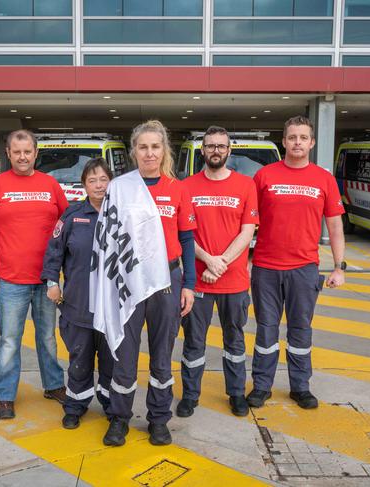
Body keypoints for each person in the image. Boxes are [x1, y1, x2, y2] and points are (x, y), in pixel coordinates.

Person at [102, 120, 196, 447]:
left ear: (164, 150)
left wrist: (189, 285)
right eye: (143, 146)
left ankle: (158, 419)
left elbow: (186, 239)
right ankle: (119, 418)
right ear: (134, 151)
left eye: (155, 146)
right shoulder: (120, 187)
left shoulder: (178, 188)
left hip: (166, 279)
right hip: (128, 277)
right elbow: (109, 240)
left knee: (161, 355)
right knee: (124, 355)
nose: (149, 152)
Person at [248, 115, 346, 410]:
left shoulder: (324, 179)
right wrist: (246, 260)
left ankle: (300, 387)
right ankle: (261, 386)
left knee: (300, 330)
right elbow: (248, 222)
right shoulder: (264, 176)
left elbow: (335, 226)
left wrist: (339, 266)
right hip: (266, 267)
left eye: (303, 138)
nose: (297, 143)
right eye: (292, 137)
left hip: (304, 269)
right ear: (284, 141)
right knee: (266, 330)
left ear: (312, 142)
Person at [0, 129, 68, 420]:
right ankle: (5, 396)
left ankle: (53, 385)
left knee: (48, 338)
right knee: (10, 340)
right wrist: (2, 254)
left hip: (46, 280)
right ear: (9, 153)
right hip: (12, 280)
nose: (23, 157)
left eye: (28, 151)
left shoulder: (51, 185)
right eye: (17, 152)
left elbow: (66, 226)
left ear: (36, 154)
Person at [179, 126, 258, 418]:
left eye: (221, 146)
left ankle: (236, 393)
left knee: (235, 341)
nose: (216, 150)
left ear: (229, 151)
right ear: (203, 150)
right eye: (210, 146)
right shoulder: (186, 186)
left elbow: (247, 232)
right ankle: (190, 395)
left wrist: (220, 262)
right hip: (197, 281)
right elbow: (184, 233)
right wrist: (208, 260)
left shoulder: (245, 185)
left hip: (233, 281)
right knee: (193, 342)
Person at [41, 158, 114, 430]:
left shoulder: (122, 216)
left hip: (111, 309)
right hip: (78, 305)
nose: (98, 185)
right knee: (79, 361)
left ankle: (110, 404)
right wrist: (52, 283)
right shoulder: (72, 216)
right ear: (84, 185)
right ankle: (75, 405)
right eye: (92, 180)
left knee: (110, 362)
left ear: (111, 182)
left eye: (103, 179)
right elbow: (54, 253)